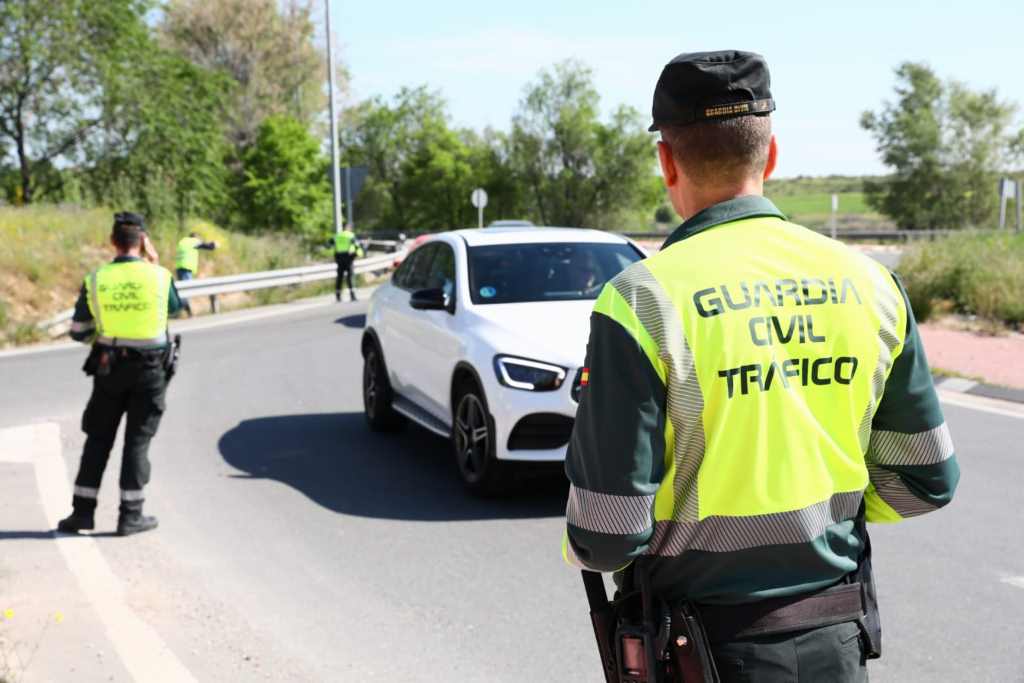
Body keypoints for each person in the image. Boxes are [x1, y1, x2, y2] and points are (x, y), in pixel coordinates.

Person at [562, 51, 960, 681]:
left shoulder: (640, 299)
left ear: (666, 160)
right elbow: (925, 483)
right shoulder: (873, 284)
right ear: (770, 155)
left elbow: (606, 535)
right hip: (837, 639)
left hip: (700, 651)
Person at [58, 212, 182, 536]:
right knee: (137, 443)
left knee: (98, 439)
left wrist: (103, 339)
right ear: (143, 242)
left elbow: (77, 330)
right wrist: (154, 264)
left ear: (113, 242)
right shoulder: (159, 276)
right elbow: (173, 308)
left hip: (109, 367)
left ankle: (82, 514)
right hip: (151, 369)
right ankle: (130, 516)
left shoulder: (97, 279)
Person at [174, 231, 216, 317]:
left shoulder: (183, 241)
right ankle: (186, 311)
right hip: (186, 268)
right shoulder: (193, 241)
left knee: (183, 291)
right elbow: (207, 246)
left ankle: (184, 312)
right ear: (196, 238)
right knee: (186, 292)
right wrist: (214, 245)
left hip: (179, 268)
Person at [330, 224, 364, 302]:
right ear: (349, 228)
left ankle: (338, 296)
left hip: (339, 258)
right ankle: (352, 296)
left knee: (339, 277)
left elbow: (328, 244)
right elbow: (357, 245)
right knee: (350, 277)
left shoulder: (337, 235)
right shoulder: (350, 235)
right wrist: (359, 253)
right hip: (348, 258)